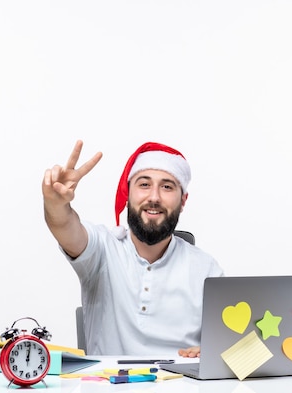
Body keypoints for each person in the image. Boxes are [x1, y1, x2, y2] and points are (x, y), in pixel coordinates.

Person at [42, 140, 224, 357]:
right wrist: (55, 203)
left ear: (183, 201)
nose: (154, 197)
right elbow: (64, 226)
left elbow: (226, 344)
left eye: (167, 187)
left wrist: (215, 352)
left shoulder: (206, 270)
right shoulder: (102, 249)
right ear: (127, 193)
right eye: (144, 185)